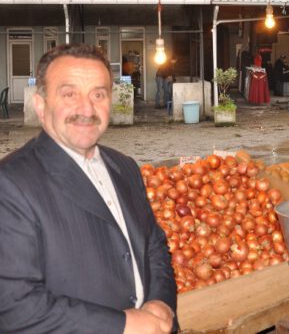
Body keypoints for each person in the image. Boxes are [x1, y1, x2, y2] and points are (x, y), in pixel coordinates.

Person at [0, 45, 177, 333]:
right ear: (42, 106)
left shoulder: (125, 167)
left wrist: (161, 302)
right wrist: (122, 325)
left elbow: (154, 245)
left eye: (98, 94)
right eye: (70, 94)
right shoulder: (10, 184)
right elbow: (13, 306)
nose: (87, 109)